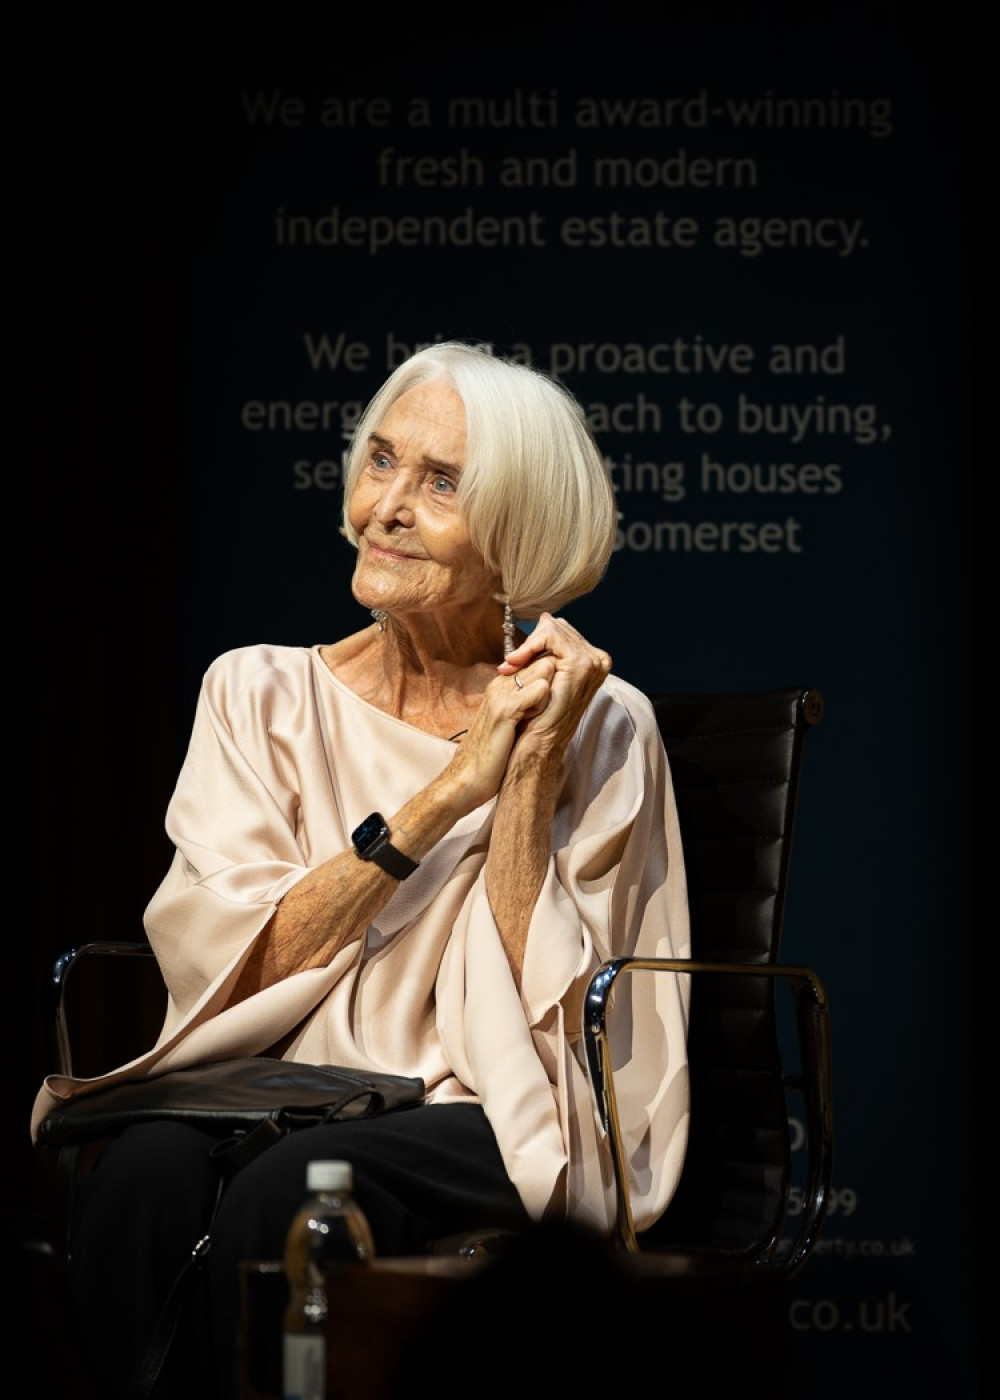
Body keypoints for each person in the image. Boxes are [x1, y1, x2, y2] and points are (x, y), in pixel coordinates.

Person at [31, 340, 691, 1399]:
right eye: (380, 460)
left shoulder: (606, 725)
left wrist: (519, 786)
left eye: (439, 483)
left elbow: (563, 1037)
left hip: (491, 1104)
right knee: (142, 1174)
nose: (385, 503)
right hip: (284, 1080)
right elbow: (240, 971)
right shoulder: (256, 694)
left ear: (519, 528)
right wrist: (443, 796)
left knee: (293, 1194)